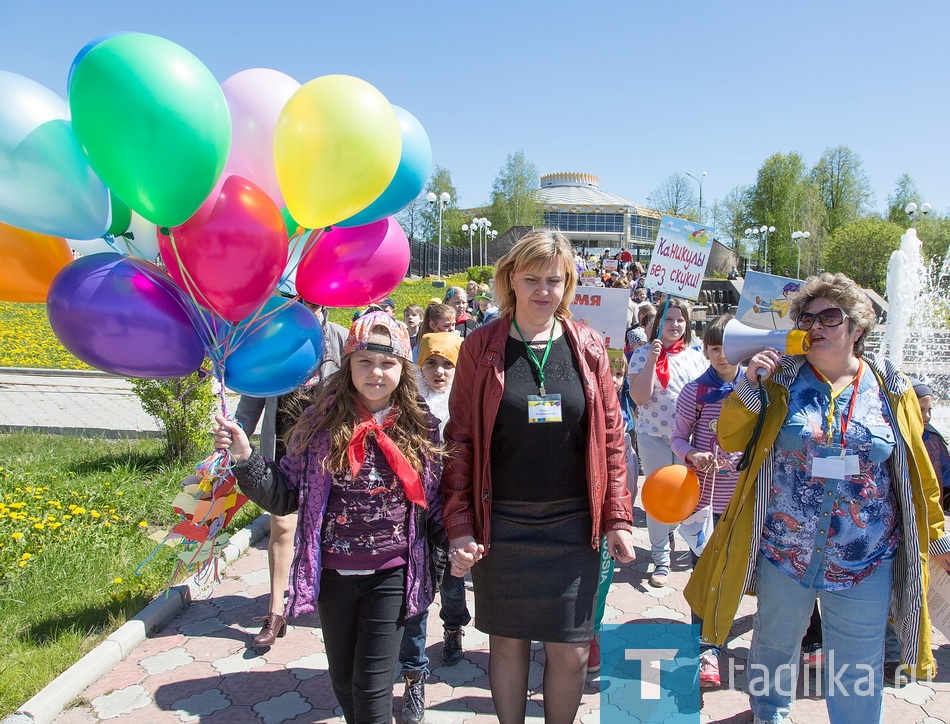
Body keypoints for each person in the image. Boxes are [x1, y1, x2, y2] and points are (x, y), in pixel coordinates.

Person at [684, 272, 950, 724]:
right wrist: (750, 383)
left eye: (831, 316)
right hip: (786, 554)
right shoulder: (781, 380)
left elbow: (918, 475)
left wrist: (939, 540)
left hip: (865, 560)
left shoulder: (891, 386)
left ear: (858, 327)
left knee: (858, 663)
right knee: (772, 645)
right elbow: (729, 437)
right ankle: (769, 715)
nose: (816, 326)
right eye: (808, 317)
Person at [441, 228, 636, 724]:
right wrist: (460, 524)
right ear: (510, 280)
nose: (543, 291)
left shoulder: (588, 345)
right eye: (532, 279)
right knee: (507, 645)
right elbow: (459, 440)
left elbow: (612, 438)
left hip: (573, 525)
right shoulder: (481, 347)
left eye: (554, 279)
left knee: (570, 651)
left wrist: (617, 516)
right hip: (501, 523)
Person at [215, 311, 445, 724]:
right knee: (342, 680)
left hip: (392, 571)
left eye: (388, 363)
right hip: (333, 574)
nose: (376, 372)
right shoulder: (318, 422)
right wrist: (244, 456)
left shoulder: (421, 425)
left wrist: (458, 545)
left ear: (403, 369)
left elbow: (437, 502)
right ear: (349, 364)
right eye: (365, 362)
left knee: (372, 689)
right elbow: (285, 495)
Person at [234, 301, 347, 650]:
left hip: (331, 452)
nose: (305, 309)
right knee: (283, 525)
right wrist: (236, 431)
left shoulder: (340, 338)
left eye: (312, 303)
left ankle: (325, 596)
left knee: (332, 524)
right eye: (298, 301)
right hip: (283, 445)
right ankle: (275, 610)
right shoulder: (273, 336)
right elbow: (253, 394)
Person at [398, 331, 471, 724]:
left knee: (451, 585)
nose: (439, 371)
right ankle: (414, 675)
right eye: (431, 363)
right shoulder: (404, 404)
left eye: (447, 364)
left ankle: (455, 627)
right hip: (411, 516)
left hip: (451, 513)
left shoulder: (464, 405)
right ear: (418, 366)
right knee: (414, 593)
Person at [670, 314, 744, 688]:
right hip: (706, 502)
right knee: (705, 574)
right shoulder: (694, 391)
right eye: (715, 349)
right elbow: (677, 439)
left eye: (729, 349)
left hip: (747, 501)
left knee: (743, 574)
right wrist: (692, 456)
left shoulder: (756, 389)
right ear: (705, 350)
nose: (722, 356)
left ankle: (736, 631)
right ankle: (704, 647)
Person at [628, 298, 706, 588]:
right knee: (660, 499)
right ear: (657, 323)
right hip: (653, 437)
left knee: (687, 497)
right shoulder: (641, 355)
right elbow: (638, 398)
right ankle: (661, 559)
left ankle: (687, 545)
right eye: (668, 319)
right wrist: (652, 360)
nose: (674, 325)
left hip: (688, 440)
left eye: (680, 320)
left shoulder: (696, 356)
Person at [913, 379, 950, 513]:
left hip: (930, 511)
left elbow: (947, 480)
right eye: (921, 409)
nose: (927, 416)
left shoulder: (934, 440)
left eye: (929, 410)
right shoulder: (890, 438)